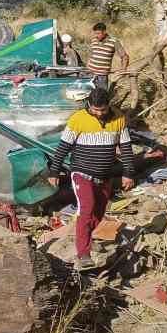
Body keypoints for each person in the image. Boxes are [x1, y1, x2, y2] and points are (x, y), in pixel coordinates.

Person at [47, 88, 134, 270]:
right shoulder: (77, 119)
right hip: (82, 173)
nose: (99, 113)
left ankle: (86, 237)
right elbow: (63, 147)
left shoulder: (118, 118)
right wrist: (54, 171)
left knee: (99, 212)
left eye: (102, 110)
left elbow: (126, 148)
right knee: (86, 209)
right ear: (89, 105)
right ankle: (84, 253)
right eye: (95, 110)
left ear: (108, 105)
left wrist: (128, 173)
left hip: (105, 175)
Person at [87, 22, 128, 90]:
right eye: (95, 33)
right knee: (88, 95)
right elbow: (91, 54)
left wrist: (123, 69)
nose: (96, 35)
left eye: (98, 33)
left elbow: (124, 56)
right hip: (90, 74)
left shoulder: (113, 41)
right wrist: (88, 66)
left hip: (102, 76)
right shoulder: (94, 40)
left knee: (102, 96)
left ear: (104, 32)